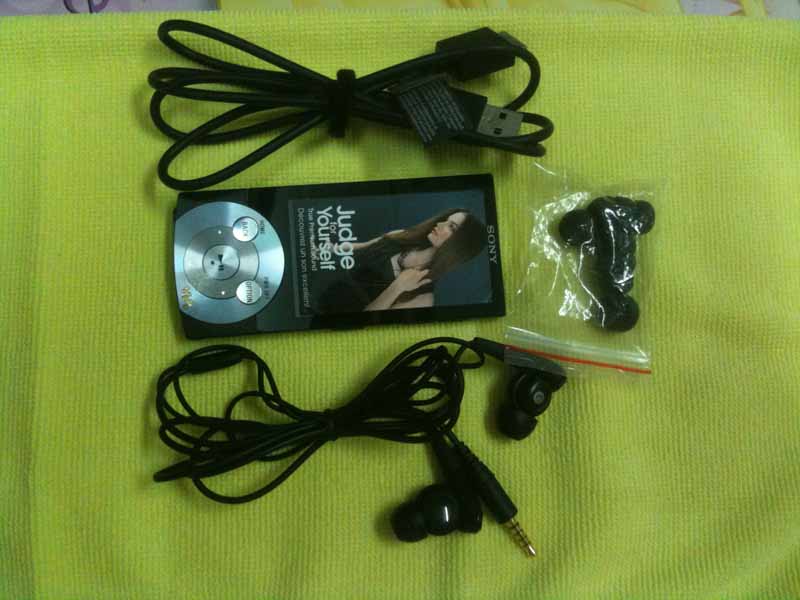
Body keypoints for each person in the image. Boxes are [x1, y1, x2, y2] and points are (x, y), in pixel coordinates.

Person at [316, 208, 487, 313]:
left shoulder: (423, 299)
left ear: (459, 246)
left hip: (322, 313)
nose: (440, 224)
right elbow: (362, 247)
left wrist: (397, 287)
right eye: (446, 220)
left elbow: (363, 322)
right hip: (318, 281)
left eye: (451, 227)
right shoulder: (403, 236)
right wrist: (327, 248)